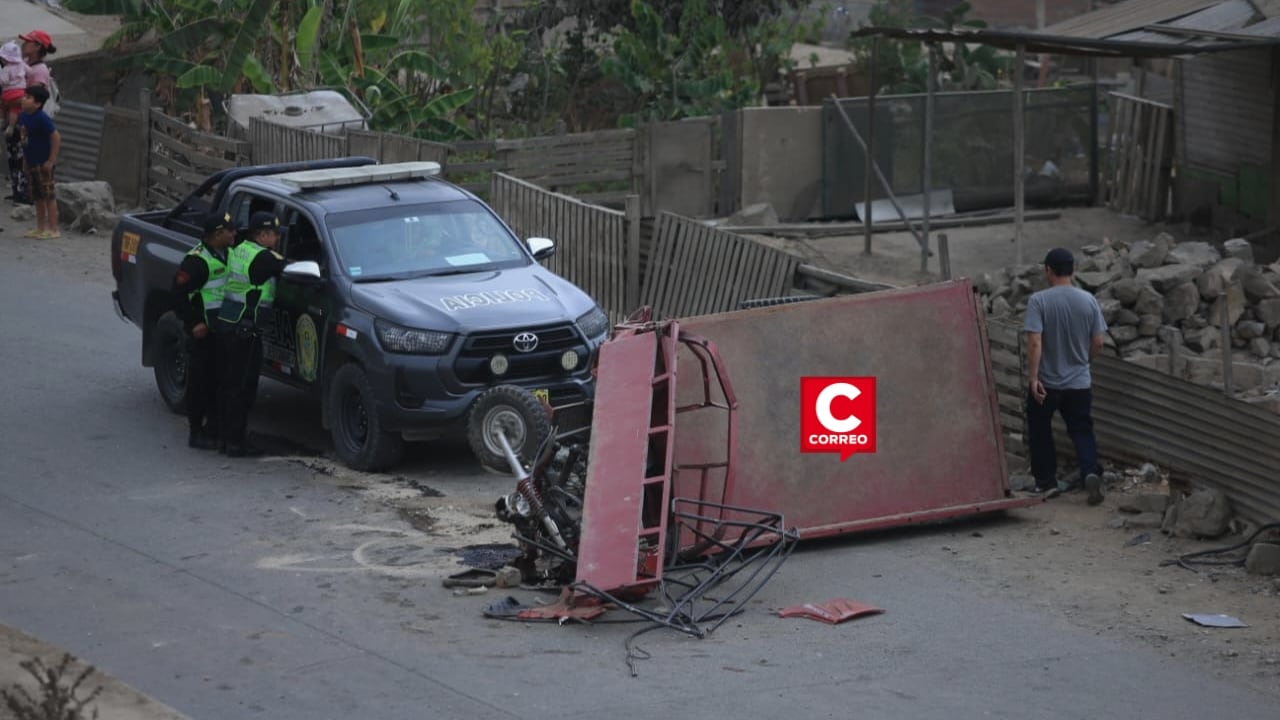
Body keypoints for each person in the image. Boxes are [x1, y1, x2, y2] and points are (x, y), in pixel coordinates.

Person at [1023, 247, 1108, 505]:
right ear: (1073, 270)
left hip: (1048, 382)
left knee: (1039, 428)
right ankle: (1090, 472)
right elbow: (1099, 342)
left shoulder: (1039, 301)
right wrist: (1085, 360)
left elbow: (1035, 342)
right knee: (1081, 428)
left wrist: (1033, 377)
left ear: (1049, 270)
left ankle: (1046, 482)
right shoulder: (1088, 300)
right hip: (1080, 382)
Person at [215, 211, 288, 457]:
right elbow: (290, 269)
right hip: (245, 331)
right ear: (264, 235)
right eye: (275, 234)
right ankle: (236, 443)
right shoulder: (265, 258)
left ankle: (224, 438)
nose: (278, 238)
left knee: (229, 384)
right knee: (243, 389)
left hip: (228, 323)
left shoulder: (240, 248)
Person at [172, 212, 237, 450]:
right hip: (203, 333)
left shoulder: (229, 252)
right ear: (217, 235)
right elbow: (177, 295)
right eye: (230, 231)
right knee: (200, 383)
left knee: (220, 381)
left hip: (223, 328)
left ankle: (216, 428)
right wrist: (193, 323)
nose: (234, 234)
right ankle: (196, 432)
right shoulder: (196, 262)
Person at [7, 30, 55, 204]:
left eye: (28, 42)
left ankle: (26, 194)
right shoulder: (25, 64)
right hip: (18, 117)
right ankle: (18, 191)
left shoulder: (40, 70)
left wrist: (11, 98)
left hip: (27, 121)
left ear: (37, 47)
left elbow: (33, 97)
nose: (24, 44)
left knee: (23, 156)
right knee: (13, 156)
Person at [16, 85, 59, 238]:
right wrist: (25, 161)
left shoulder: (42, 118)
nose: (23, 99)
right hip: (32, 162)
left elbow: (55, 137)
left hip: (44, 163)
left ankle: (53, 229)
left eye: (28, 97)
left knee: (48, 196)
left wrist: (51, 160)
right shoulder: (23, 116)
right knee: (37, 196)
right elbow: (24, 140)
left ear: (38, 103)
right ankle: (40, 228)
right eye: (24, 96)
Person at [0, 42, 26, 135]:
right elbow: (29, 71)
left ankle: (1, 121)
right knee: (14, 109)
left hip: (8, 93)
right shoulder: (22, 64)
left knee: (2, 106)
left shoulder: (6, 68)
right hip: (20, 93)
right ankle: (11, 127)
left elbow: (4, 81)